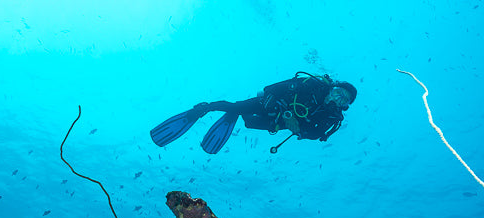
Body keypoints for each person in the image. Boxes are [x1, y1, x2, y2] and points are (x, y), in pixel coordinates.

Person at [150, 72, 357, 154]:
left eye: (343, 100)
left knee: (248, 123)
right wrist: (273, 101)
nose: (337, 99)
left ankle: (236, 114)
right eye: (338, 93)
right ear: (332, 88)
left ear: (344, 106)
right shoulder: (310, 84)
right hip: (269, 104)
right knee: (235, 107)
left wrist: (299, 130)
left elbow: (315, 134)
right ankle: (203, 108)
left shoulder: (332, 118)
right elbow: (272, 88)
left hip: (279, 123)